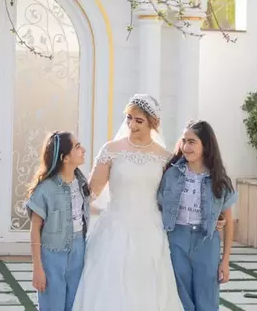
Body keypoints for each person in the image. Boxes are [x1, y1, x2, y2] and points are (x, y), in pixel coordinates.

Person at [73, 94, 184, 311]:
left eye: (139, 120)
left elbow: (172, 197)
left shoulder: (165, 157)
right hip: (114, 228)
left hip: (150, 230)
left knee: (147, 286)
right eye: (129, 118)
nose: (132, 125)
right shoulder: (111, 150)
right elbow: (91, 192)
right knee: (109, 284)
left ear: (153, 123)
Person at [159, 120, 237, 311]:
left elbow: (229, 222)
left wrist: (225, 261)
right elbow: (158, 206)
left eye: (192, 142)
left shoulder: (219, 180)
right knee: (181, 297)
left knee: (207, 299)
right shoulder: (171, 174)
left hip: (206, 243)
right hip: (177, 239)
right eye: (184, 141)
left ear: (206, 145)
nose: (186, 146)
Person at [26, 131, 91, 311]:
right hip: (52, 257)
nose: (83, 150)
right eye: (77, 147)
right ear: (65, 158)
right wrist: (37, 268)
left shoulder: (82, 183)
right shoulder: (45, 189)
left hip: (79, 252)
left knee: (75, 305)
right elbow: (34, 230)